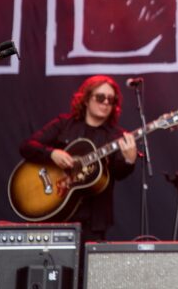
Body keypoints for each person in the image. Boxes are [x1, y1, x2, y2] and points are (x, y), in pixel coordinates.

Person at [19, 74, 137, 242]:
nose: (105, 103)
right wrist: (52, 154)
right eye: (100, 97)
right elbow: (27, 146)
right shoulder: (64, 124)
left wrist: (129, 160)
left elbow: (119, 173)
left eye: (111, 100)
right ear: (86, 99)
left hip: (93, 221)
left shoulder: (116, 136)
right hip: (55, 213)